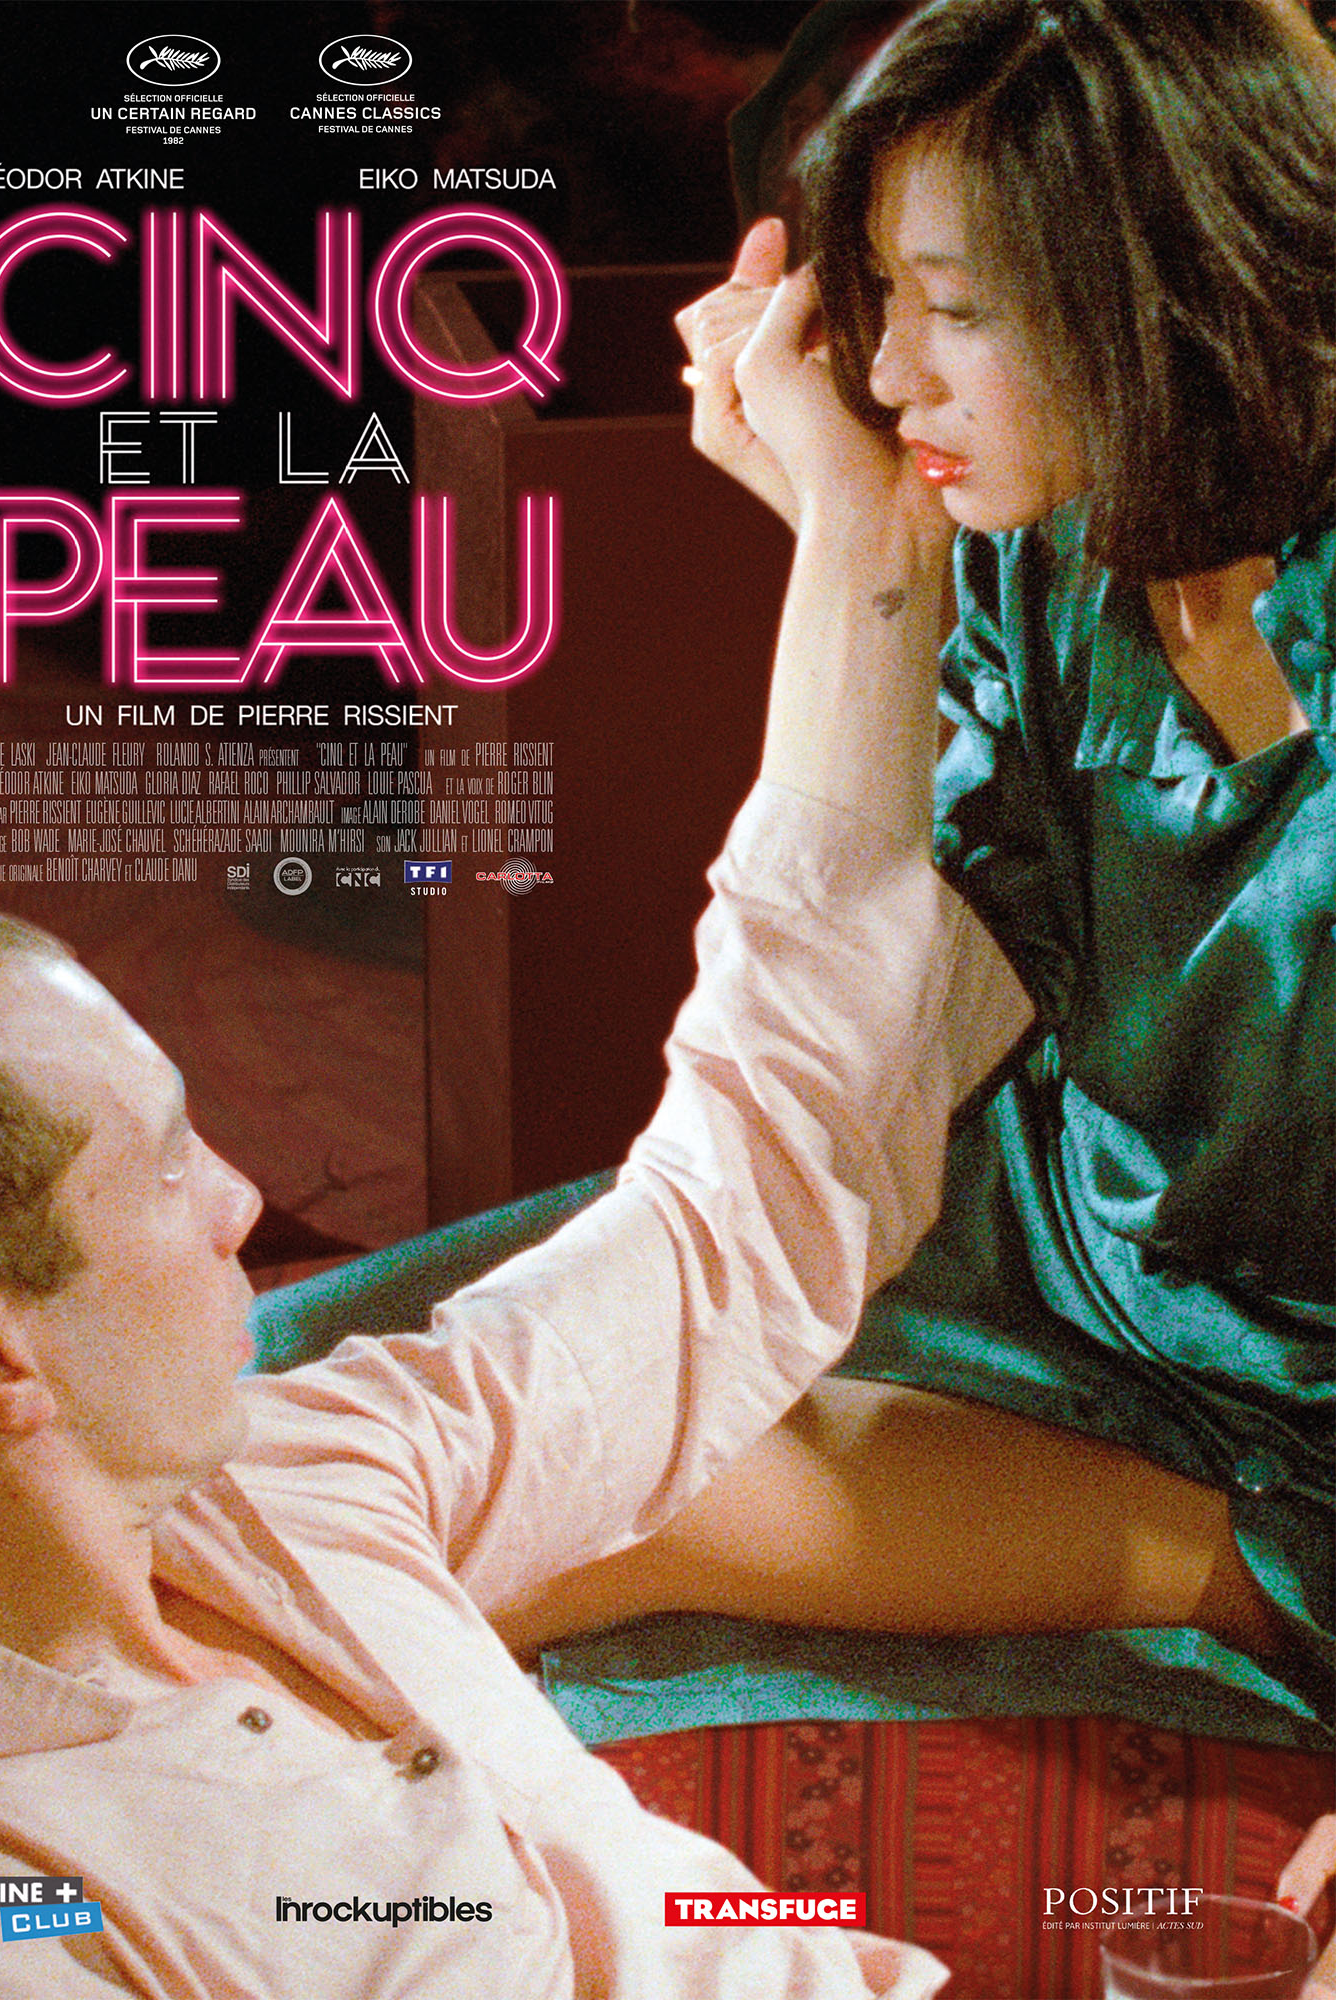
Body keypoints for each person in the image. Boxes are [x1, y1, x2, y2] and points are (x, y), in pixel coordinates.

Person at [0, 481, 1029, 1990]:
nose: (243, 1203)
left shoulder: (295, 1466)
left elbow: (726, 1228)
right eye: (166, 1164)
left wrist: (867, 541)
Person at [483, 0, 1335, 1986]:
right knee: (295, 1455)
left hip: (1268, 1428)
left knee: (480, 1498)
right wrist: (862, 548)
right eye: (879, 295)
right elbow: (820, 1073)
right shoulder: (1058, 546)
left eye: (956, 308)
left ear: (1178, 287)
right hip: (1027, 1280)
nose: (882, 373)